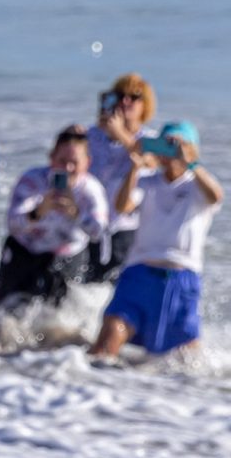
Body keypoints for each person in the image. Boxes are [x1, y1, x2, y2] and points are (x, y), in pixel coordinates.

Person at [93, 122, 221, 360]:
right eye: (166, 143)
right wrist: (134, 169)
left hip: (181, 280)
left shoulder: (197, 184)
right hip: (139, 274)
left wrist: (191, 162)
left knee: (184, 363)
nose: (170, 150)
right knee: (106, 342)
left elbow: (216, 196)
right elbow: (122, 206)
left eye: (177, 144)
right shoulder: (148, 181)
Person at [0, 126, 109, 318]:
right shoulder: (32, 180)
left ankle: (49, 349)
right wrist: (38, 212)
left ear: (87, 163)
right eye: (62, 161)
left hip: (66, 257)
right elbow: (12, 224)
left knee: (56, 320)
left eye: (74, 163)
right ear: (51, 157)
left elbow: (99, 233)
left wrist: (76, 214)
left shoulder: (91, 190)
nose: (68, 168)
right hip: (24, 252)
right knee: (3, 315)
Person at [84, 73, 154, 281]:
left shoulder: (148, 138)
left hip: (125, 227)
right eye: (120, 95)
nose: (126, 101)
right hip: (88, 223)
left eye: (134, 97)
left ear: (145, 105)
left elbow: (151, 161)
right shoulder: (92, 135)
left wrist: (121, 134)